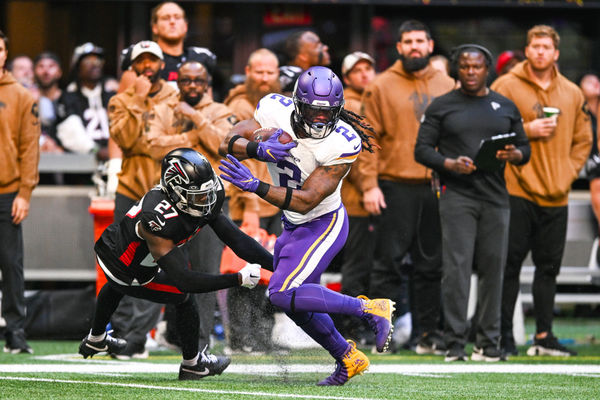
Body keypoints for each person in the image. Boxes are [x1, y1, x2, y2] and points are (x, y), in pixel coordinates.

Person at [218, 66, 395, 386]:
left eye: (327, 113)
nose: (319, 119)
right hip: (293, 225)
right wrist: (257, 148)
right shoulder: (274, 109)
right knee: (299, 302)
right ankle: (348, 357)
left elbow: (306, 200)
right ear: (297, 103)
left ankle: (368, 309)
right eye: (313, 110)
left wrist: (255, 184)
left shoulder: (342, 141)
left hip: (322, 224)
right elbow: (226, 142)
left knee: (283, 294)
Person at [78, 148, 270, 380]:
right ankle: (193, 364)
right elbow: (185, 281)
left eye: (207, 193)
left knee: (121, 286)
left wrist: (277, 264)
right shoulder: (157, 220)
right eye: (199, 196)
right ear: (176, 191)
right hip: (127, 267)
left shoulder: (197, 198)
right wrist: (237, 279)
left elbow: (236, 239)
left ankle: (96, 339)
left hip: (123, 245)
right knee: (183, 297)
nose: (206, 200)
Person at [415, 44, 531, 362]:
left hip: (496, 197)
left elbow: (525, 148)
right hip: (457, 196)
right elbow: (422, 150)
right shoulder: (441, 106)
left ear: (487, 69)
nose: (470, 71)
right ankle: (454, 343)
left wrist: (515, 154)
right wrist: (449, 164)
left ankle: (488, 342)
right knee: (457, 270)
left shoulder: (505, 106)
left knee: (494, 269)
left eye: (476, 67)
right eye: (464, 66)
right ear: (456, 69)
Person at [491, 25, 592, 357]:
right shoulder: (505, 85)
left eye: (546, 47)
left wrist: (567, 174)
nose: (540, 52)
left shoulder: (573, 92)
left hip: (557, 192)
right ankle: (504, 336)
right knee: (510, 266)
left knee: (549, 268)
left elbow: (584, 140)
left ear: (556, 53)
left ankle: (544, 335)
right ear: (528, 48)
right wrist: (526, 129)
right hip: (516, 188)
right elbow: (489, 128)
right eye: (534, 46)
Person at [360, 20, 455, 354]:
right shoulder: (381, 85)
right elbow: (367, 140)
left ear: (430, 45)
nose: (415, 47)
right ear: (398, 47)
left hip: (435, 185)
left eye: (420, 40)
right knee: (388, 265)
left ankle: (427, 336)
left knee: (431, 265)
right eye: (408, 41)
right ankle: (380, 334)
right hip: (394, 185)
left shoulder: (448, 83)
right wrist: (370, 185)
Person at [139, 58, 237, 357]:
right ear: (177, 82)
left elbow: (225, 144)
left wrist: (197, 118)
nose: (192, 85)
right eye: (186, 80)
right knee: (167, 269)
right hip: (171, 202)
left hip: (211, 204)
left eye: (198, 80)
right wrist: (191, 138)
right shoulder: (162, 109)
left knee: (206, 271)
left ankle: (202, 341)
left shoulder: (222, 111)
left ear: (207, 82)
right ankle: (173, 335)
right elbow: (151, 146)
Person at [106, 40, 179, 358]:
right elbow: (124, 139)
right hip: (129, 189)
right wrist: (136, 97)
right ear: (132, 66)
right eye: (141, 61)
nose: (147, 66)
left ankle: (138, 335)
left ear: (162, 63)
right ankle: (121, 334)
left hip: (164, 191)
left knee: (159, 263)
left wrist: (150, 142)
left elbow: (179, 141)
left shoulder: (175, 98)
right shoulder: (120, 100)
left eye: (153, 60)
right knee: (120, 262)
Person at [223, 48, 282, 353]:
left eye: (269, 72)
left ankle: (263, 336)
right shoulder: (238, 107)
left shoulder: (278, 107)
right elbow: (238, 160)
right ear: (247, 71)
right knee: (246, 272)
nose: (264, 77)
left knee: (272, 274)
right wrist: (251, 208)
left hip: (276, 200)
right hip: (247, 203)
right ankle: (241, 336)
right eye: (258, 71)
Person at [0, 30, 40, 354]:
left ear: (6, 54)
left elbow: (30, 150)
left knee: (11, 264)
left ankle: (15, 332)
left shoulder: (22, 96)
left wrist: (24, 192)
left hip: (6, 191)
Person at [334, 51, 377, 342]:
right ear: (346, 77)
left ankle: (353, 324)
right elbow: (359, 155)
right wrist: (369, 187)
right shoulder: (352, 105)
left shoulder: (372, 100)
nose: (364, 74)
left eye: (368, 68)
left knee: (361, 265)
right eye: (357, 70)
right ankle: (351, 327)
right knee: (357, 266)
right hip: (354, 200)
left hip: (359, 197)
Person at [56, 42, 115, 162]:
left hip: (114, 160)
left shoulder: (112, 96)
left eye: (98, 61)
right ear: (77, 67)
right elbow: (69, 130)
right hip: (81, 164)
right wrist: (95, 150)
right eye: (88, 62)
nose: (94, 65)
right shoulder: (68, 97)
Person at [279, 30, 331, 95]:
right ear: (303, 56)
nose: (325, 48)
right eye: (317, 46)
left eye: (321, 44)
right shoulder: (300, 80)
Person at [34, 52, 64, 154]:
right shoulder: (27, 99)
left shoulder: (70, 99)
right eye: (41, 66)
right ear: (34, 72)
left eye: (51, 66)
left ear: (59, 72)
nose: (46, 71)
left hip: (66, 157)